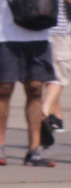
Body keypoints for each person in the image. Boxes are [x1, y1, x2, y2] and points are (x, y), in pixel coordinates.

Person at [1, 0, 57, 167]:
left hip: (39, 30)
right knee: (4, 88)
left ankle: (34, 151)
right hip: (5, 33)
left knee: (35, 87)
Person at [39, 0, 71, 144]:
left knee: (45, 74)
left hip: (33, 27)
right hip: (58, 29)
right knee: (59, 76)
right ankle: (44, 111)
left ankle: (55, 116)